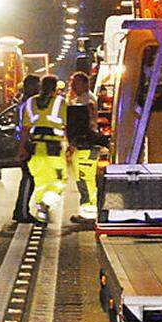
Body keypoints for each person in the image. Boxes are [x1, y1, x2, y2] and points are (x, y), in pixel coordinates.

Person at [19, 75, 68, 223]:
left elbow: (25, 128)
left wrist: (21, 147)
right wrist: (71, 144)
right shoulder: (60, 102)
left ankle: (41, 208)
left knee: (41, 181)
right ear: (55, 89)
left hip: (35, 148)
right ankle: (45, 205)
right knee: (59, 181)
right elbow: (68, 125)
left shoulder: (30, 102)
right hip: (53, 149)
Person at [64, 72, 102, 222]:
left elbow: (82, 125)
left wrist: (73, 143)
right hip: (86, 144)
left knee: (85, 180)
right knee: (85, 179)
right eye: (72, 83)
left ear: (86, 84)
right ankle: (88, 210)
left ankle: (89, 213)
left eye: (76, 83)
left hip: (85, 145)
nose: (73, 86)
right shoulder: (83, 99)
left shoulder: (86, 101)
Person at [11, 74, 40, 223]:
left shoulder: (25, 102)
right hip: (27, 143)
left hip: (25, 143)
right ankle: (22, 212)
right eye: (37, 85)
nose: (39, 88)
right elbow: (25, 127)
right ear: (29, 86)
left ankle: (21, 210)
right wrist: (24, 146)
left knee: (30, 178)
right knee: (28, 178)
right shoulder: (27, 104)